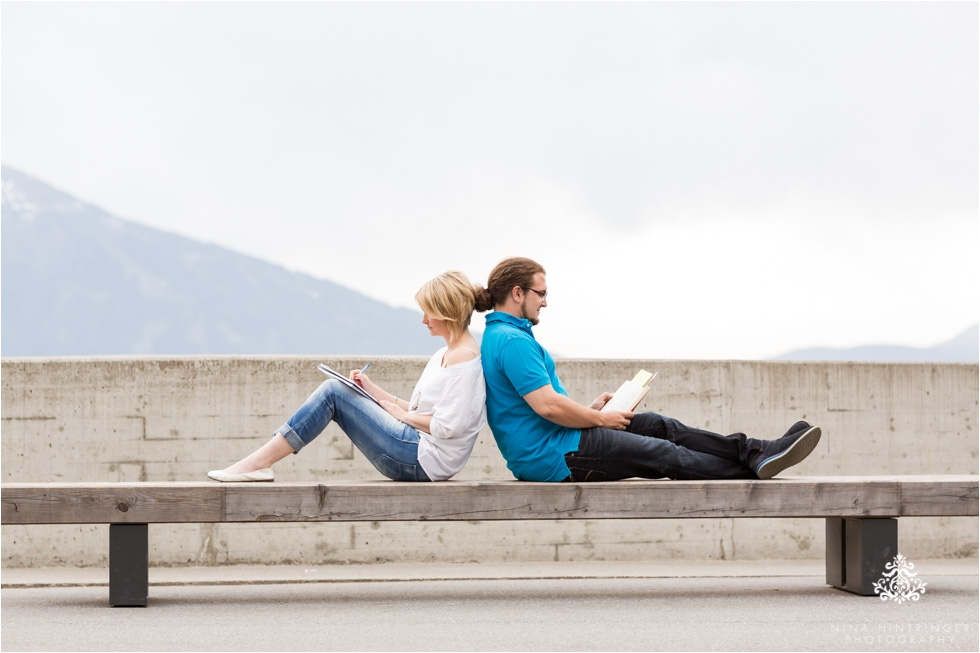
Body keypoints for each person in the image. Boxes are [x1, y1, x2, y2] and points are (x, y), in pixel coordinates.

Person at [474, 257, 822, 483]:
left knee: (658, 425)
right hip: (555, 456)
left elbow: (539, 406)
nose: (545, 302)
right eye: (541, 293)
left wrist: (590, 411)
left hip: (559, 440)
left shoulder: (502, 335)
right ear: (518, 293)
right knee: (666, 456)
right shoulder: (511, 341)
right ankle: (751, 471)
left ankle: (756, 450)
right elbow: (547, 406)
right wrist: (599, 420)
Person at [209, 271, 487, 483]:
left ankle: (257, 464)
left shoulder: (464, 358)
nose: (424, 319)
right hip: (415, 448)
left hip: (422, 458)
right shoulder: (445, 353)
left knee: (332, 392)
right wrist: (373, 390)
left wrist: (400, 416)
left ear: (446, 312)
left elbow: (449, 426)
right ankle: (258, 463)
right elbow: (416, 411)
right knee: (338, 390)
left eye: (429, 312)